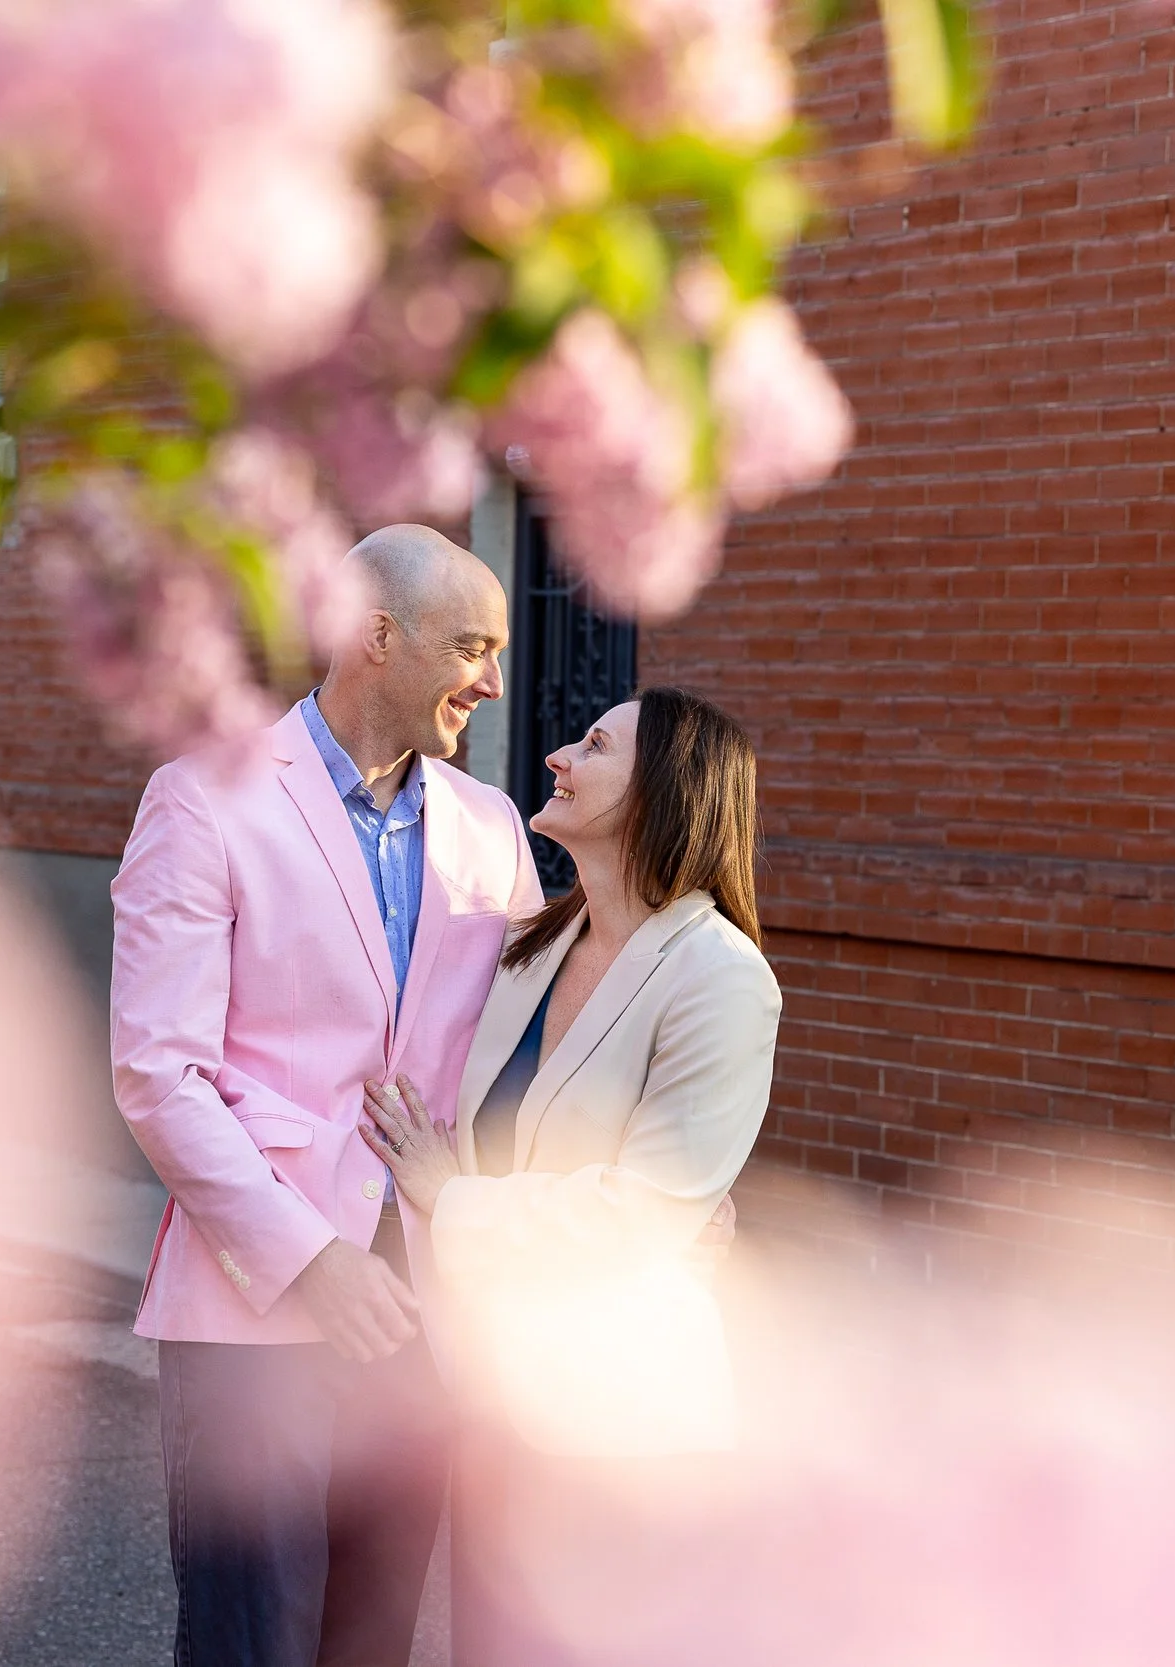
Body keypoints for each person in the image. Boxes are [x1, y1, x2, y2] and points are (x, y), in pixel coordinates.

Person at [109, 524, 543, 1667]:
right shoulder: (203, 799)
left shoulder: (491, 827)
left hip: (422, 1310)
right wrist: (313, 1257)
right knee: (253, 1642)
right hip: (255, 1308)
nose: (491, 680)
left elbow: (527, 1052)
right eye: (470, 646)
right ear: (374, 637)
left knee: (374, 1638)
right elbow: (159, 1071)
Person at [359, 685, 782, 1667]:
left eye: (593, 745)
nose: (556, 754)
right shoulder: (532, 946)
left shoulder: (718, 975)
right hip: (494, 1401)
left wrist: (448, 1194)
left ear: (665, 793)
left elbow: (637, 1215)